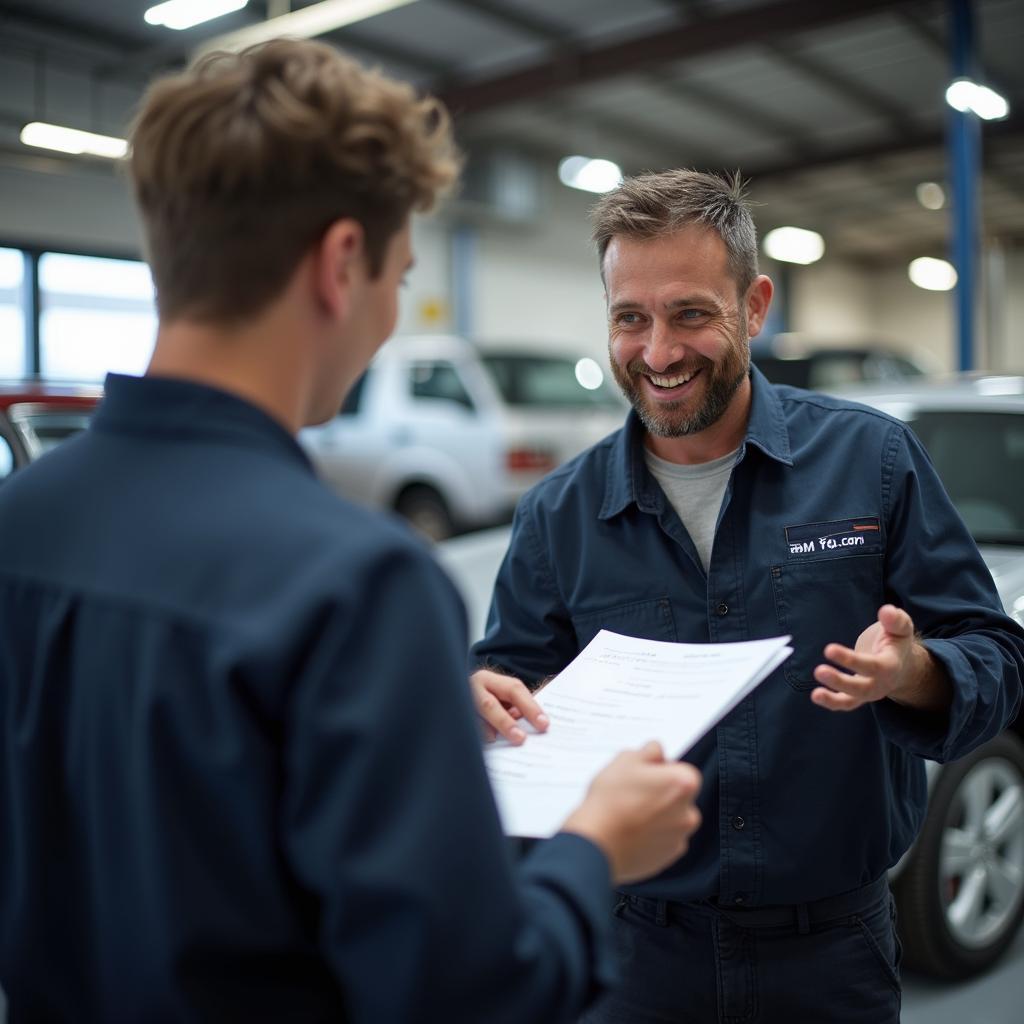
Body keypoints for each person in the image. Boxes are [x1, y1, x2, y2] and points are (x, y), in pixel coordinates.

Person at [0, 42, 705, 1023]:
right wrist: (595, 847)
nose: (387, 320)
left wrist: (388, 716)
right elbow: (470, 993)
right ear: (340, 263)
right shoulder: (356, 583)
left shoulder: (24, 517)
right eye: (397, 275)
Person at [471, 169, 1024, 1023]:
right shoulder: (558, 513)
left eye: (692, 313)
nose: (658, 353)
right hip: (636, 958)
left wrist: (915, 671)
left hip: (832, 954)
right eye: (631, 319)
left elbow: (997, 656)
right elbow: (510, 677)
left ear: (755, 305)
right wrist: (486, 700)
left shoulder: (872, 463)